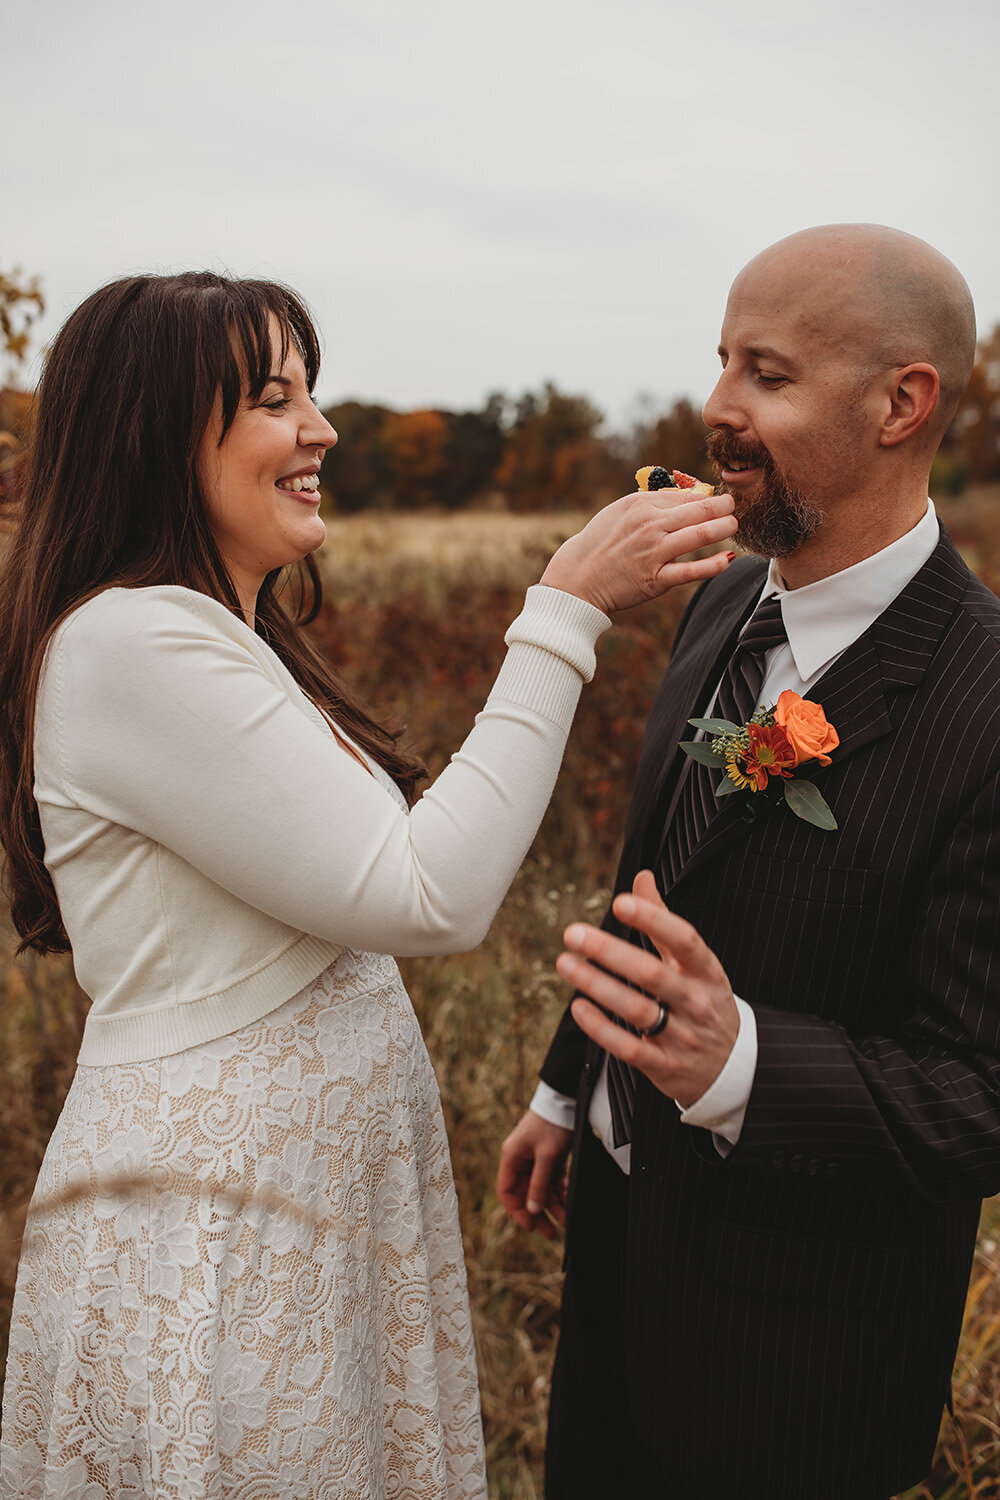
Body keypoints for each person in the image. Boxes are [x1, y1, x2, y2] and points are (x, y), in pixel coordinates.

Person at [0, 272, 738, 1500]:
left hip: (294, 1202)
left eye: (314, 392)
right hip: (219, 1223)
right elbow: (426, 893)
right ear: (155, 434)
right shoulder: (132, 641)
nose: (321, 431)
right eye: (274, 398)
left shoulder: (210, 633)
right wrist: (560, 613)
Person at [498, 224, 1000, 1500]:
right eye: (720, 361)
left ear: (902, 403)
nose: (715, 406)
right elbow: (660, 867)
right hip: (618, 1255)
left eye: (764, 374)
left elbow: (979, 1096)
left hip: (792, 1367)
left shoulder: (984, 705)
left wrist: (743, 1066)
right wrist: (571, 1088)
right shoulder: (726, 596)